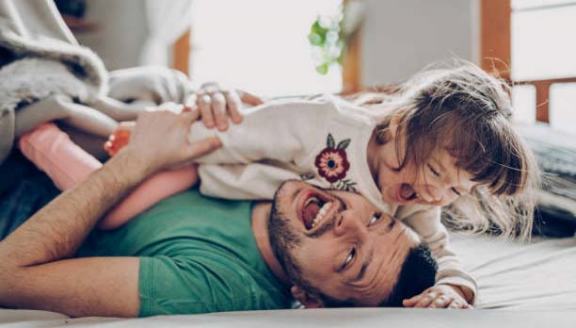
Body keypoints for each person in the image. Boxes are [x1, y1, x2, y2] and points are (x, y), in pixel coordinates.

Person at [18, 61, 540, 308]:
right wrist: (158, 138)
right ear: (403, 128)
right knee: (131, 137)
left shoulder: (410, 210)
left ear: (308, 298)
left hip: (197, 183)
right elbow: (246, 130)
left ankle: (47, 143)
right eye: (433, 176)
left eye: (453, 193)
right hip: (208, 163)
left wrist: (455, 286)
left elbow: (441, 251)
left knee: (113, 207)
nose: (432, 198)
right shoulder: (328, 126)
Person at [0, 108, 438, 317]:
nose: (350, 221)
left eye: (349, 259)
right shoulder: (305, 169)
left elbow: (8, 276)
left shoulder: (217, 287)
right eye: (379, 219)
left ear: (311, 300)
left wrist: (139, 161)